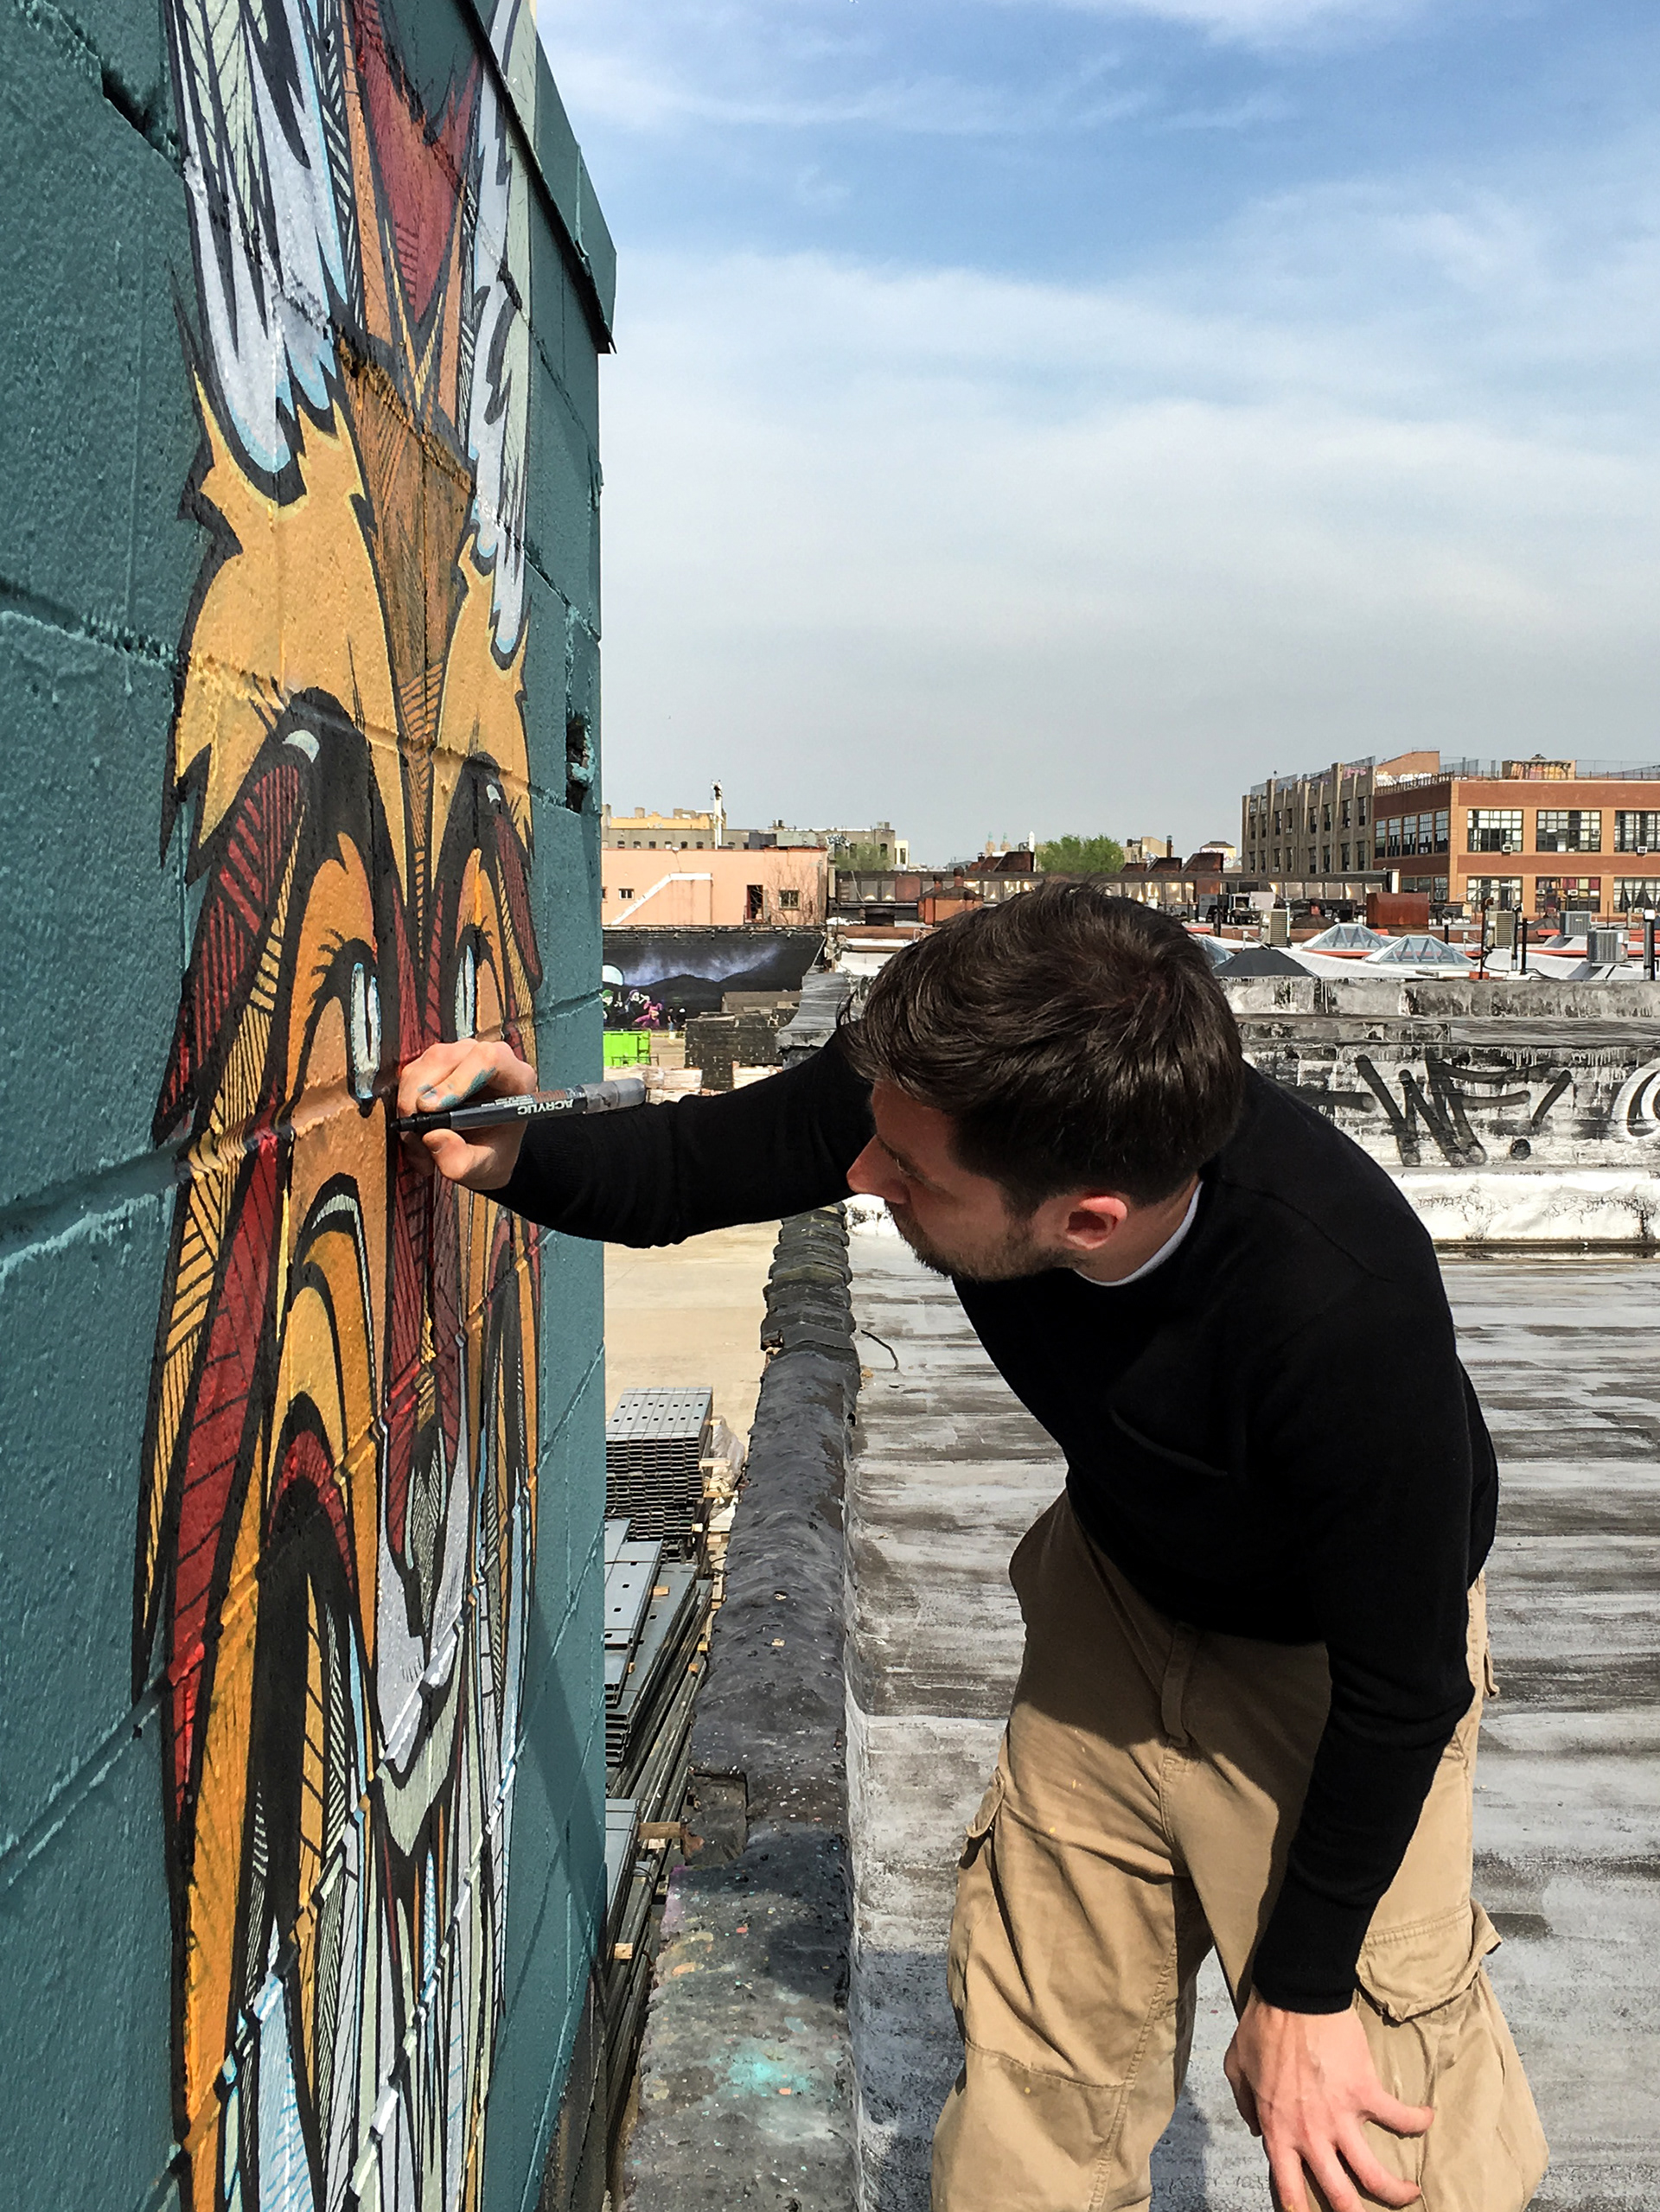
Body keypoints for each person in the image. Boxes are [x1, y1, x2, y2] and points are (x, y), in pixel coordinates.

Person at [399, 885, 1547, 2212]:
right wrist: (512, 1152)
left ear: (1086, 1221)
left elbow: (1406, 1687)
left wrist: (1300, 1989)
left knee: (1377, 2143)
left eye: (909, 1179)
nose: (862, 1174)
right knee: (1038, 2100)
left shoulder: (1343, 1314)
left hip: (1332, 1674)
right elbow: (707, 1160)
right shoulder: (952, 1079)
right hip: (1112, 1606)